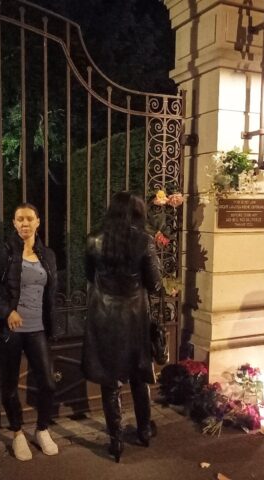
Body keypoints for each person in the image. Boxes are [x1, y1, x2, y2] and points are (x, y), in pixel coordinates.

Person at [0, 203, 59, 461]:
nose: (25, 224)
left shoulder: (48, 255)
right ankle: (18, 432)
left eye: (29, 219)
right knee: (8, 385)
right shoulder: (2, 253)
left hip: (37, 329)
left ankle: (42, 429)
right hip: (11, 331)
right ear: (13, 222)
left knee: (48, 383)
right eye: (20, 219)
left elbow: (50, 295)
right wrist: (7, 311)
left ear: (38, 222)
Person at [82, 191, 163, 463]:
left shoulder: (94, 239)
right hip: (135, 316)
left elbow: (88, 275)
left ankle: (115, 440)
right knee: (139, 375)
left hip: (104, 316)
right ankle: (143, 431)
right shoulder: (144, 241)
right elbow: (155, 284)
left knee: (110, 381)